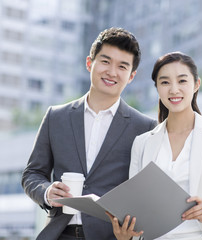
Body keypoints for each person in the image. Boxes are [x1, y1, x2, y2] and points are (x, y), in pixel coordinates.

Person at [21, 27, 157, 240]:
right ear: (89, 63)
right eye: (105, 61)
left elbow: (145, 193)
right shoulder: (56, 117)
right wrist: (47, 192)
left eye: (122, 66)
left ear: (131, 76)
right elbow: (32, 173)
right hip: (59, 234)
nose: (112, 72)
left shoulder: (145, 127)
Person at [107, 52, 202, 240]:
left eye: (182, 81)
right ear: (157, 87)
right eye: (165, 82)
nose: (174, 90)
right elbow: (136, 207)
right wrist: (126, 235)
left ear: (196, 85)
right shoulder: (142, 143)